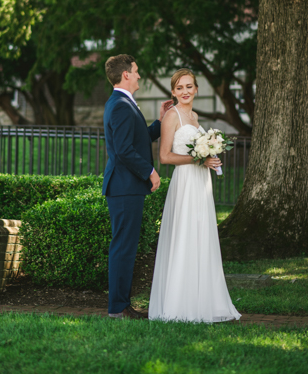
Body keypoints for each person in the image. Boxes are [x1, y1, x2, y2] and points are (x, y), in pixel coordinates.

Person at [148, 69, 241, 323]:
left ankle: (203, 300)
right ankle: (180, 303)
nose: (185, 91)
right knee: (185, 236)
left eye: (189, 86)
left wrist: (210, 157)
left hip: (201, 183)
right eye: (179, 88)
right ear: (173, 92)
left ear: (196, 89)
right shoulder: (172, 115)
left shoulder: (195, 115)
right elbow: (165, 157)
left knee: (201, 236)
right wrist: (200, 157)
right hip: (186, 183)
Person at [102, 54, 172, 320]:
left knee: (126, 246)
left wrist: (161, 120)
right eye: (137, 71)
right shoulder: (120, 104)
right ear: (126, 74)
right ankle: (118, 308)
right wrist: (151, 172)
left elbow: (138, 138)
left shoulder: (124, 103)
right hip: (124, 186)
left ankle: (121, 305)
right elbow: (122, 150)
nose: (140, 75)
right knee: (123, 246)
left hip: (126, 186)